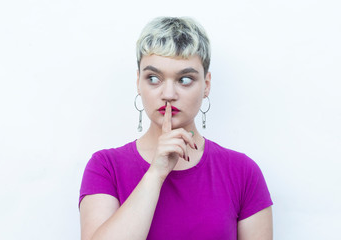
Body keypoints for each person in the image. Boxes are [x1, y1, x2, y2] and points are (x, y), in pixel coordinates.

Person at [79, 16, 273, 240]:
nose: (169, 94)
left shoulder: (242, 172)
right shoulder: (105, 167)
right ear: (138, 82)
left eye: (184, 79)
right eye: (153, 78)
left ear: (206, 85)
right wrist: (156, 172)